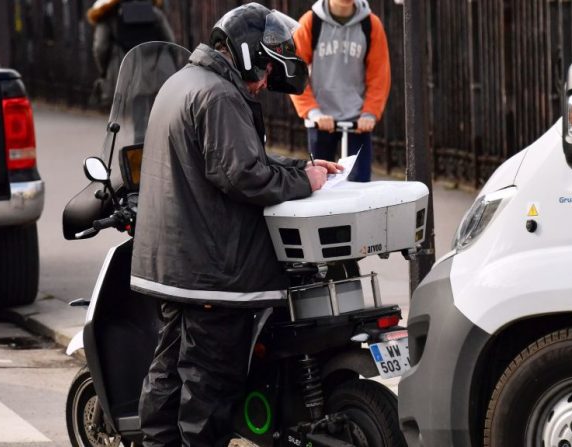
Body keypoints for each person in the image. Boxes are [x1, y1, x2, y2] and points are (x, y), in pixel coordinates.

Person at [129, 3, 343, 446]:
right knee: (207, 390)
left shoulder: (183, 82)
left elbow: (234, 158)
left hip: (175, 270)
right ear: (245, 53)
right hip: (213, 274)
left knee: (167, 376)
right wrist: (304, 181)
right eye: (265, 70)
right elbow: (243, 174)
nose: (265, 82)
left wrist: (300, 166)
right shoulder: (220, 95)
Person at [290, 0, 391, 182]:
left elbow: (379, 74)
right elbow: (294, 72)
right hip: (320, 121)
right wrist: (313, 111)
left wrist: (370, 113)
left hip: (358, 122)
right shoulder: (311, 22)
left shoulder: (370, 24)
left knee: (359, 186)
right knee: (320, 185)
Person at [87, 0, 174, 108]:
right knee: (156, 111)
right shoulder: (154, 12)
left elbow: (100, 47)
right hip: (154, 73)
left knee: (125, 116)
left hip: (124, 74)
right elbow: (170, 42)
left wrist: (104, 71)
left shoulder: (108, 16)